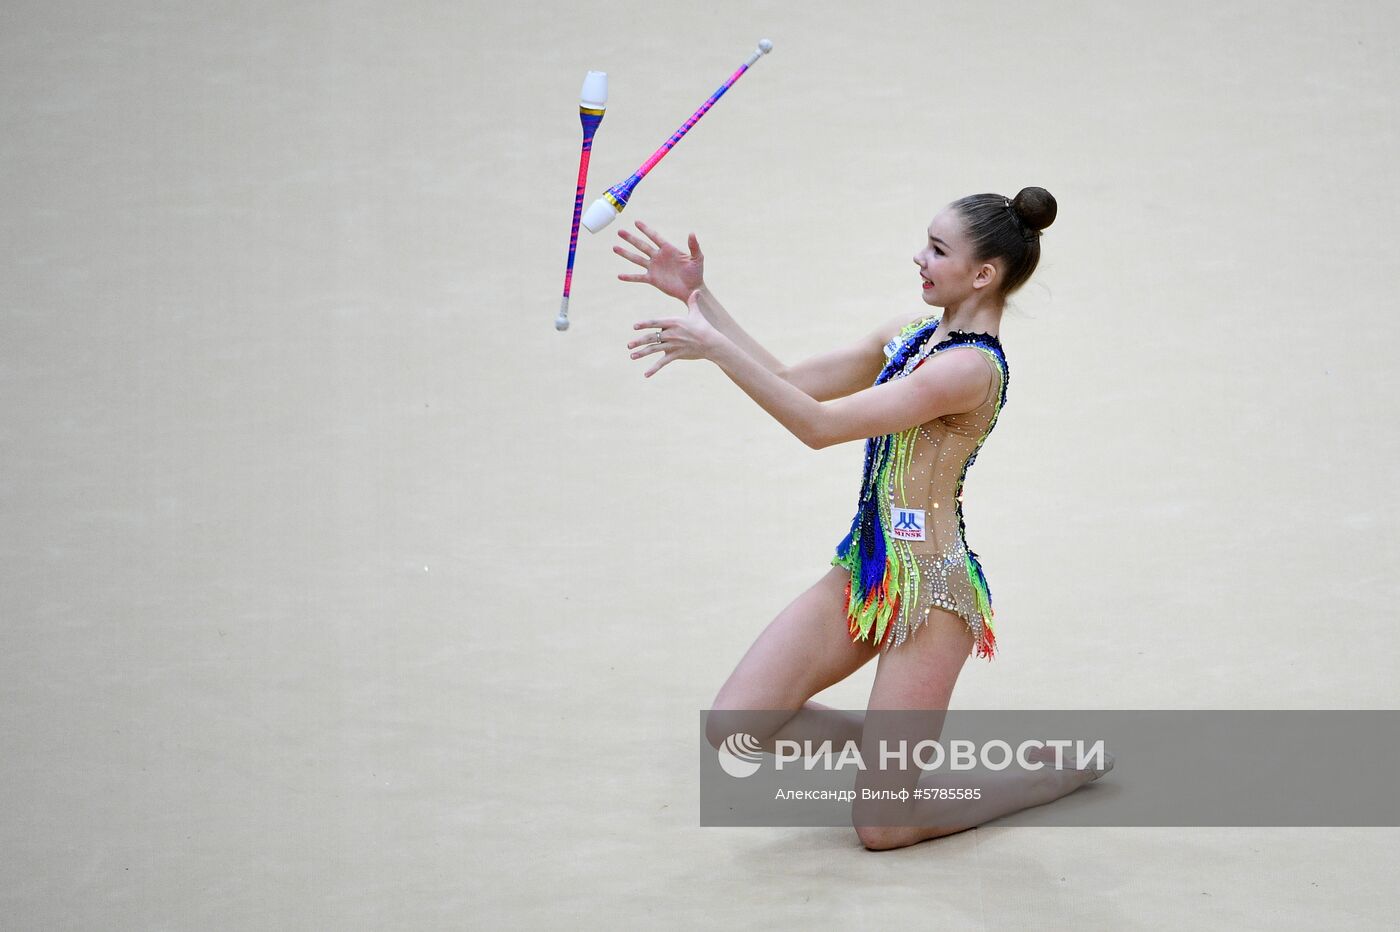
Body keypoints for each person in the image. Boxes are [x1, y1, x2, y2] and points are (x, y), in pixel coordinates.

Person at [613, 188, 1111, 850]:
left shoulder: (966, 370)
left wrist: (711, 348)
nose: (919, 257)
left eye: (937, 250)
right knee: (732, 725)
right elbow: (795, 380)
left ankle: (1037, 781)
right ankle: (895, 759)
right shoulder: (910, 335)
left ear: (983, 274)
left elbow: (816, 427)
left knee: (882, 827)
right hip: (866, 571)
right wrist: (698, 300)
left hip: (932, 595)